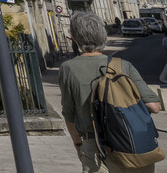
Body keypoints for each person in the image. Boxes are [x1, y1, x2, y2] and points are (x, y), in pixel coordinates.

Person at [60, 10, 162, 171]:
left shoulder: (68, 68)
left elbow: (69, 114)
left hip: (95, 147)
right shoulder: (122, 65)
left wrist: (78, 144)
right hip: (133, 145)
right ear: (104, 36)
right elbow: (154, 106)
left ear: (73, 36)